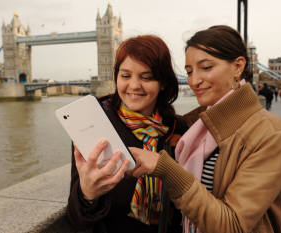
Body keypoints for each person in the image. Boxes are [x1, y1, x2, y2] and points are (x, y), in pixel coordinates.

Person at [127, 25, 281, 233]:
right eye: (189, 71)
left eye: (206, 67)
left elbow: (233, 225)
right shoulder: (193, 126)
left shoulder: (272, 134)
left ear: (238, 66)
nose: (194, 80)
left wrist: (167, 170)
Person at [65, 35, 192, 233]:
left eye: (147, 77)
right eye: (125, 76)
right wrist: (87, 194)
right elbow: (76, 218)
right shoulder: (95, 123)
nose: (134, 86)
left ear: (164, 83)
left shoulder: (178, 130)